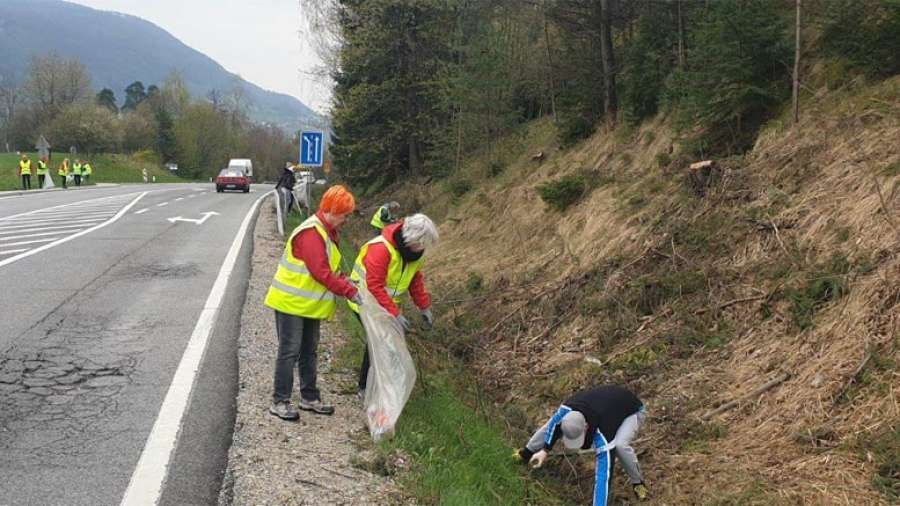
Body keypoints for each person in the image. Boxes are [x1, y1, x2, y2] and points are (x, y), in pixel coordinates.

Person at [264, 185, 362, 421]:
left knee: (309, 351)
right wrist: (348, 290)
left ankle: (309, 397)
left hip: (307, 305)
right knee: (290, 351)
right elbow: (320, 272)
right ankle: (280, 400)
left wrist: (343, 280)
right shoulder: (312, 233)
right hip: (290, 303)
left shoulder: (326, 232)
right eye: (345, 215)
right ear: (332, 210)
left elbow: (326, 270)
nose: (347, 220)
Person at [348, 213, 438, 395]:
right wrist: (395, 314)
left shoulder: (415, 253)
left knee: (383, 343)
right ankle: (365, 387)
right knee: (378, 341)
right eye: (420, 243)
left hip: (385, 305)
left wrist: (424, 306)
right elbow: (374, 285)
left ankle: (376, 386)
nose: (422, 248)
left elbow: (415, 280)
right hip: (364, 300)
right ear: (409, 238)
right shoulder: (381, 248)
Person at [516, 385, 649, 505]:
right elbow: (552, 427)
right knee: (549, 424)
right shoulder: (566, 410)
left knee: (620, 446)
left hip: (632, 411)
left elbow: (604, 473)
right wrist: (544, 450)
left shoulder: (603, 431)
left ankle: (638, 483)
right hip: (607, 402)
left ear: (586, 427)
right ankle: (524, 454)